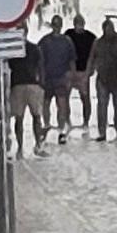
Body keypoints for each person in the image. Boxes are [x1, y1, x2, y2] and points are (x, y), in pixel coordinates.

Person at [35, 17, 78, 145]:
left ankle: (60, 131)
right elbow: (38, 60)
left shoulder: (66, 41)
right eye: (55, 25)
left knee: (61, 104)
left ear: (61, 26)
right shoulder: (46, 41)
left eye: (58, 25)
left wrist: (71, 77)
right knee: (47, 104)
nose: (56, 27)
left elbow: (72, 61)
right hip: (47, 78)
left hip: (60, 78)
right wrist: (39, 76)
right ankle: (48, 126)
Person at [92, 15, 117, 140]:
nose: (110, 32)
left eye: (112, 29)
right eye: (107, 29)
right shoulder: (97, 43)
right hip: (102, 79)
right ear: (103, 30)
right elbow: (92, 59)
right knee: (102, 105)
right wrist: (87, 75)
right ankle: (102, 132)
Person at [67, 13, 96, 126]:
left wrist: (92, 69)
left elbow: (95, 55)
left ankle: (86, 121)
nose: (79, 26)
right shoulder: (68, 34)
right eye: (77, 24)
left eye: (81, 24)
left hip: (84, 72)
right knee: (65, 97)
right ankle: (67, 121)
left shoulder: (91, 37)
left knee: (85, 97)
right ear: (74, 24)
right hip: (69, 71)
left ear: (84, 24)